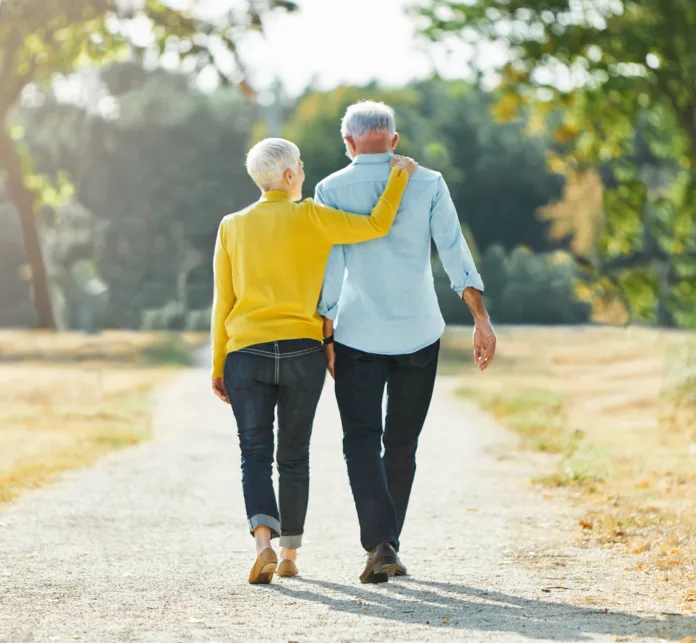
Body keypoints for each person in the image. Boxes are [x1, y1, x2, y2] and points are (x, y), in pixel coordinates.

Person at [211, 137, 418, 585]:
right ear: (288, 177)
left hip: (246, 351)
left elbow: (222, 301)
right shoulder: (312, 217)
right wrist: (399, 175)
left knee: (254, 453)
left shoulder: (231, 225)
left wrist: (217, 363)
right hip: (303, 352)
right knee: (294, 455)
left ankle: (263, 544)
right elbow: (377, 224)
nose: (303, 173)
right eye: (300, 168)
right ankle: (289, 555)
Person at [317, 101, 497, 584]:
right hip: (419, 333)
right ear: (394, 141)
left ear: (349, 143)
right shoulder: (429, 182)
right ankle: (387, 544)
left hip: (356, 335)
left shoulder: (330, 189)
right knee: (402, 442)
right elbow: (454, 252)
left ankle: (380, 543)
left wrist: (325, 330)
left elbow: (331, 264)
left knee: (360, 440)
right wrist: (480, 318)